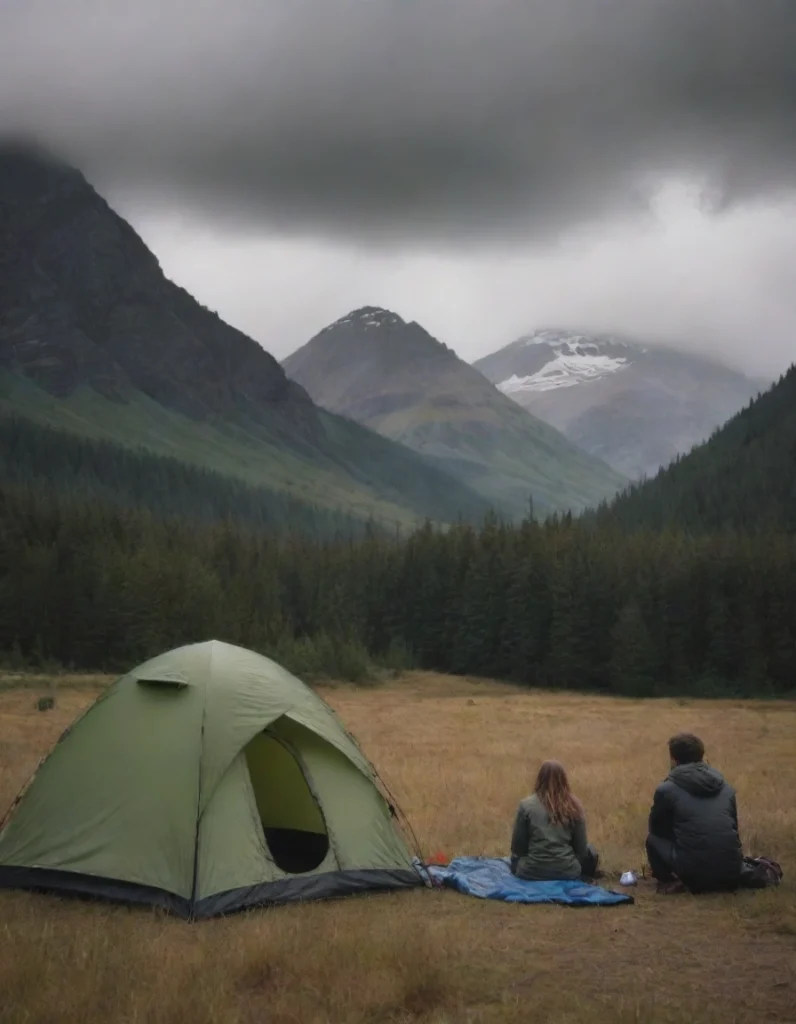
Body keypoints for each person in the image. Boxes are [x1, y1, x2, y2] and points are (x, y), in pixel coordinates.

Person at [646, 732, 743, 894]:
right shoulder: (726, 787)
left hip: (693, 874)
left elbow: (656, 828)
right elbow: (734, 828)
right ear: (701, 755)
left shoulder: (666, 789)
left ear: (674, 760)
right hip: (732, 870)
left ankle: (667, 881)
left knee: (653, 839)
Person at [510, 760, 599, 881]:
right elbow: (582, 850)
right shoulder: (575, 806)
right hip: (568, 872)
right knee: (591, 850)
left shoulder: (526, 805)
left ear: (539, 779)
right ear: (564, 780)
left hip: (530, 871)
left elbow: (518, 848)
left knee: (514, 859)